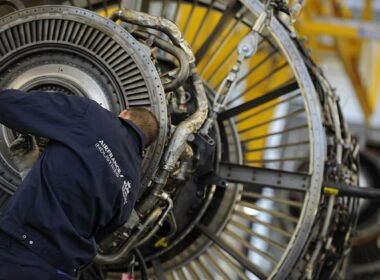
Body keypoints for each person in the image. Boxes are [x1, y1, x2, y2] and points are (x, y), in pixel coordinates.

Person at [0, 89, 159, 279]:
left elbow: (13, 105)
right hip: (62, 270)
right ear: (144, 149)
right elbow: (96, 233)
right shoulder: (131, 189)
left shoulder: (93, 116)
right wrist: (31, 172)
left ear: (123, 114)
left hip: (19, 250)